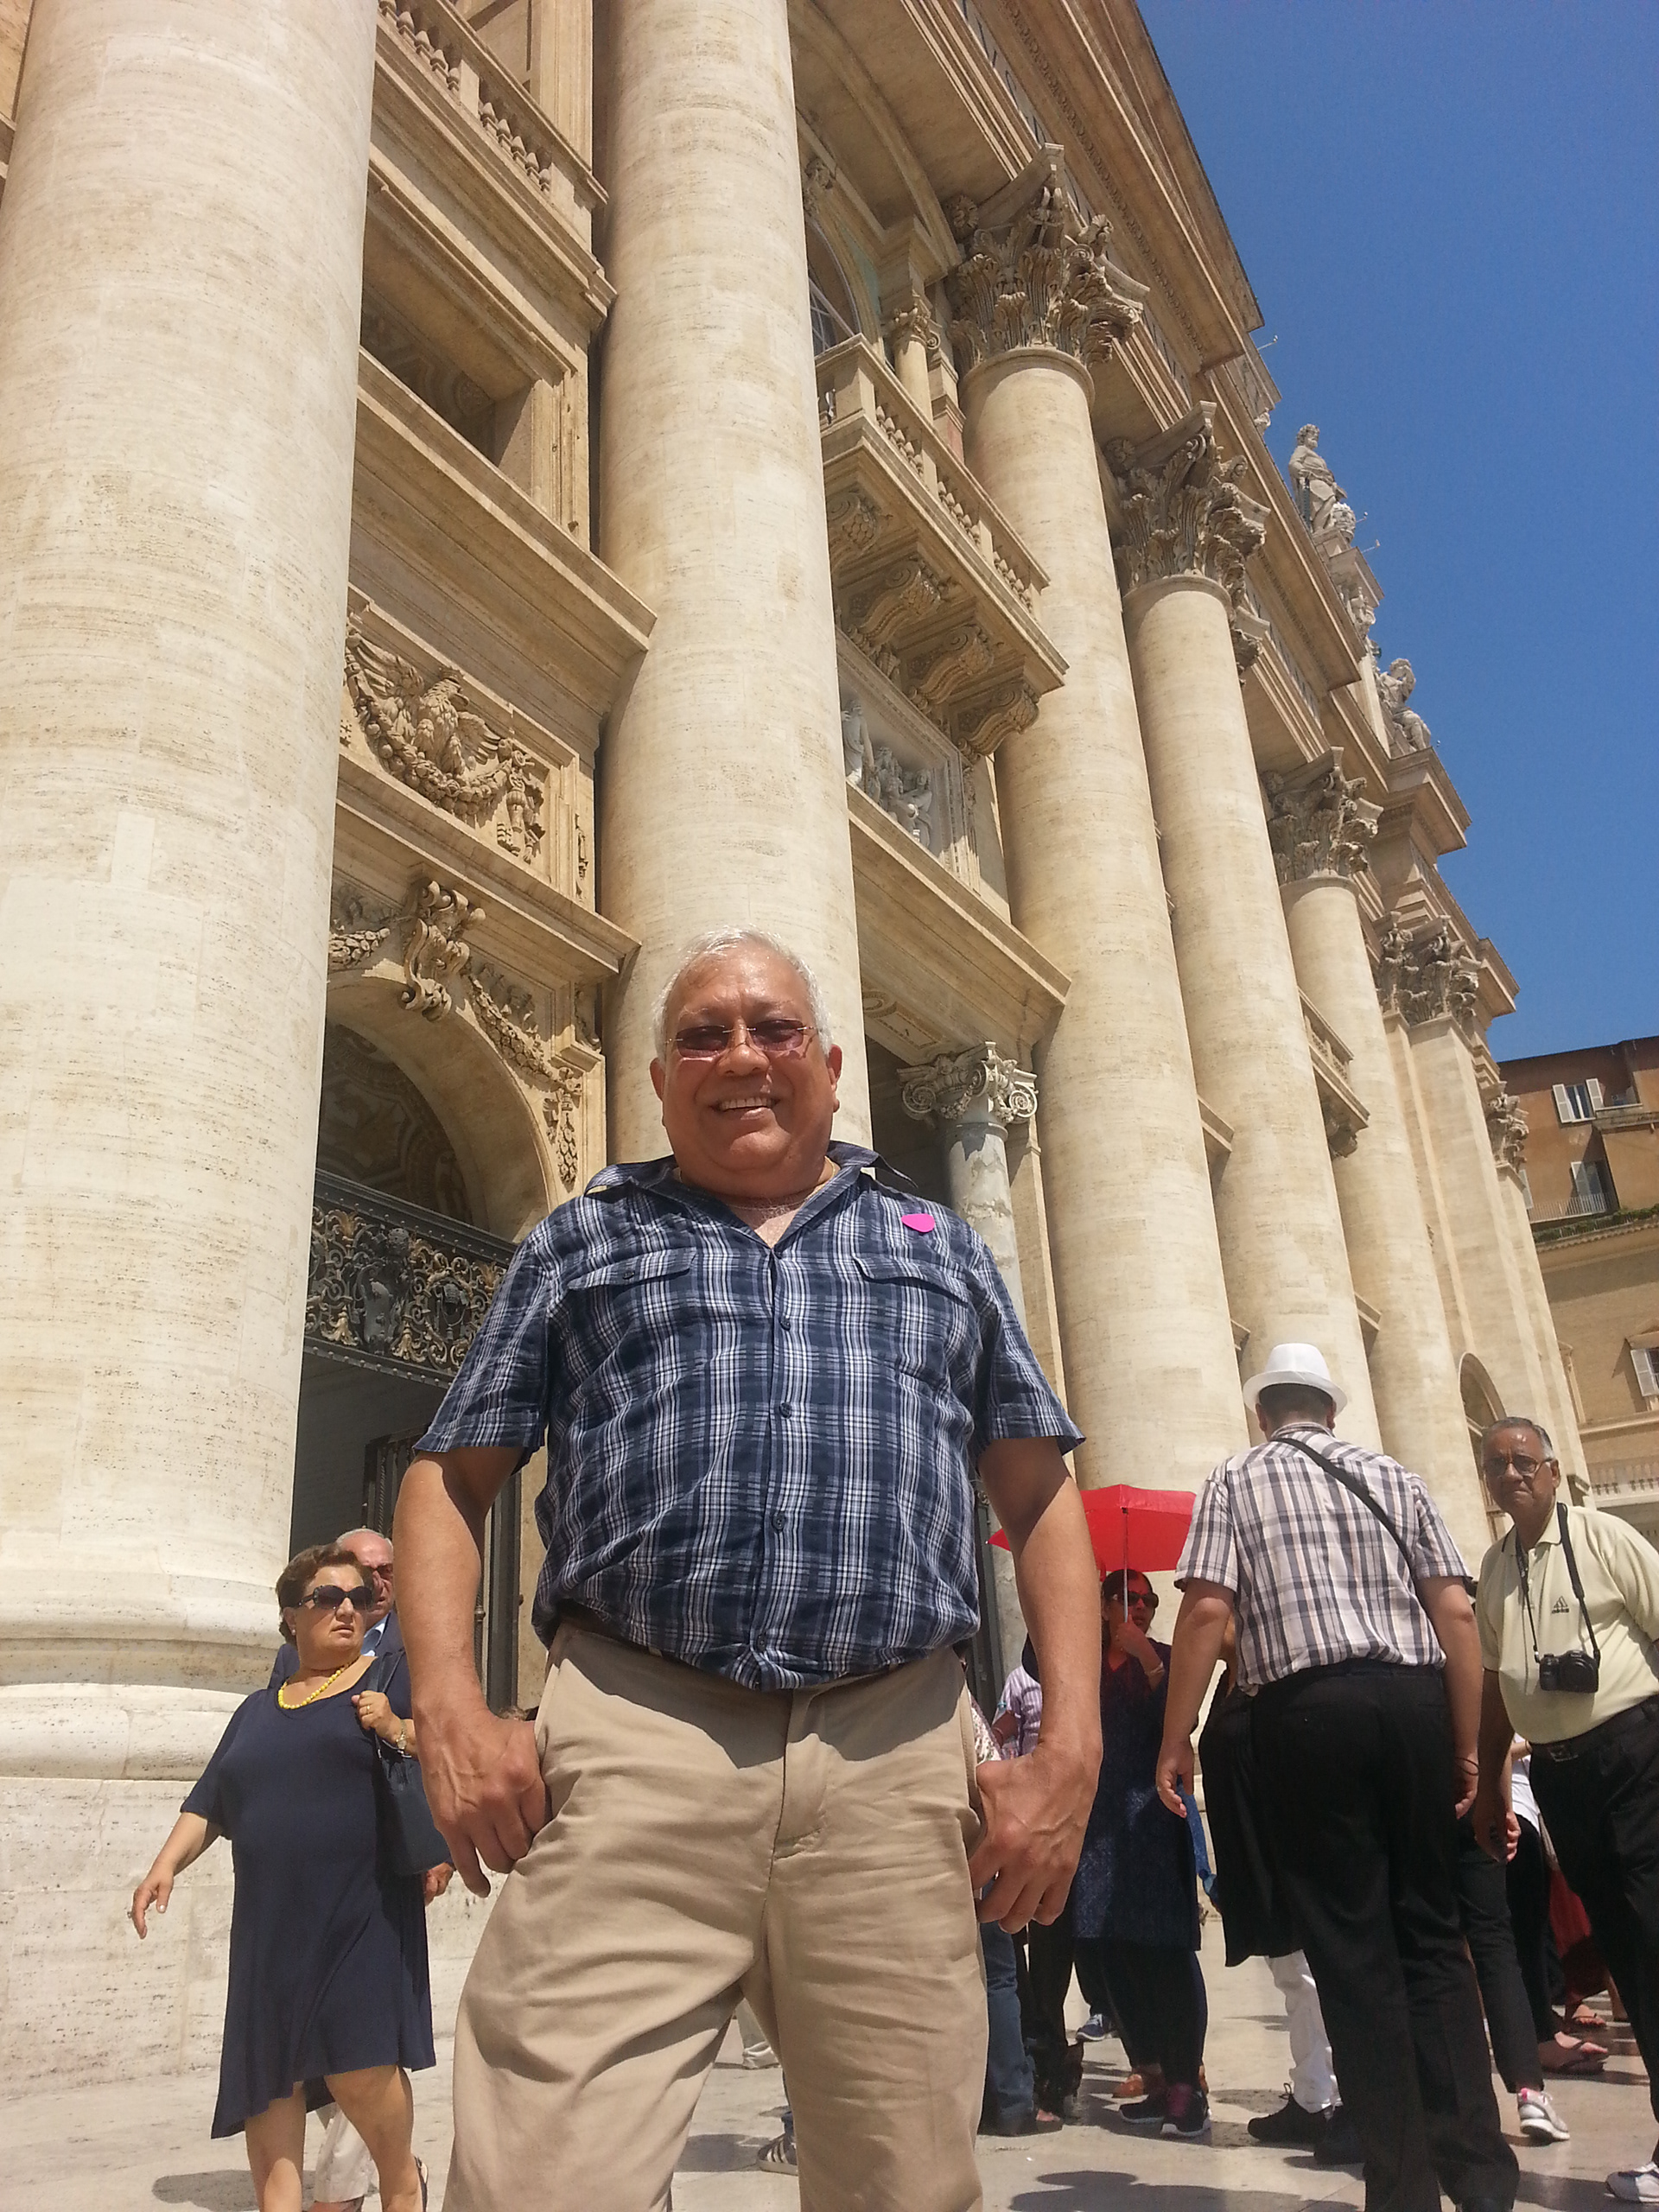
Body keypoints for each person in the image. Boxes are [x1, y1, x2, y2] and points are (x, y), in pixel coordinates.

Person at [392, 927, 1103, 2211]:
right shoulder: (580, 1244)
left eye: (772, 1029)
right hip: (636, 1737)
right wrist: (449, 1704)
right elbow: (448, 1477)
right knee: (538, 2177)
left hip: (894, 1749)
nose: (742, 1057)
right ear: (659, 1081)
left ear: (832, 1066)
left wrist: (1073, 1747)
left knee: (905, 2182)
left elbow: (1040, 1492)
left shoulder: (939, 1243)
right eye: (703, 1035)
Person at [1156, 1341, 1516, 2212]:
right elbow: (1457, 1614)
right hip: (1414, 1701)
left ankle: (1401, 2187)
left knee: (1353, 1954)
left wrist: (1178, 1735)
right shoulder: (1397, 1477)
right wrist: (1466, 1745)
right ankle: (1480, 2169)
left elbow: (1206, 1608)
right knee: (1434, 1939)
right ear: (1330, 1405)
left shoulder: (1237, 1479)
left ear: (1262, 1410)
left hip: (1309, 1714)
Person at [130, 1546, 438, 2212]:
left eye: (357, 1598)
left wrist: (396, 1726)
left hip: (362, 1918)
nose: (347, 1609)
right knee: (270, 2093)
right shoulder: (255, 1710)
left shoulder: (385, 1679)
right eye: (328, 1598)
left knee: (359, 2069)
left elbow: (448, 1749)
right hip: (271, 1932)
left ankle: (402, 2184)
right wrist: (165, 1864)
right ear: (291, 1618)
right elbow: (211, 1798)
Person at [1471, 1415, 1659, 2203]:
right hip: (1560, 1779)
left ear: (1552, 1471)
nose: (1510, 1473)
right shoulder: (1495, 1569)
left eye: (1523, 1460)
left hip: (1634, 1760)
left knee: (1653, 1941)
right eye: (1496, 1464)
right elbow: (1494, 1685)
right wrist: (1486, 1786)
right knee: (1627, 1951)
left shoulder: (1608, 1539)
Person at [269, 1528, 443, 2212]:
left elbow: (447, 1740)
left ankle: (344, 2191)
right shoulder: (291, 1658)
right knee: (319, 2036)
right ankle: (396, 2165)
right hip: (303, 1881)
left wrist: (395, 1724)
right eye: (358, 1575)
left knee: (362, 2033)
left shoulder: (415, 1652)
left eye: (380, 1576)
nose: (370, 1588)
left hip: (382, 1865)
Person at [1196, 1618, 1357, 2159]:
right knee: (1291, 1976)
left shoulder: (1269, 1689)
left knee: (1307, 1976)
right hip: (1252, 1855)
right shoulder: (1230, 1686)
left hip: (1282, 1853)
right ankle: (1313, 2094)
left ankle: (1337, 2097)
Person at [1069, 1569, 1208, 2138]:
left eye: (1148, 1600)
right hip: (1101, 1825)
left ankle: (1186, 2086)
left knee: (1167, 1951)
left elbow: (1177, 1727)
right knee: (1116, 1951)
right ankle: (1150, 2074)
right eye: (1127, 1599)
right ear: (1103, 1605)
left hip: (1152, 1817)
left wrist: (1147, 1661)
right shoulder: (1083, 1665)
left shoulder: (1168, 1660)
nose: (1141, 1608)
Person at [1503, 1737, 1608, 2077]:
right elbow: (1496, 1750)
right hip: (1510, 1811)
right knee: (1517, 1937)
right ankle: (1539, 2039)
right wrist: (1542, 1741)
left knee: (1529, 1931)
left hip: (1520, 1807)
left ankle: (1544, 2032)